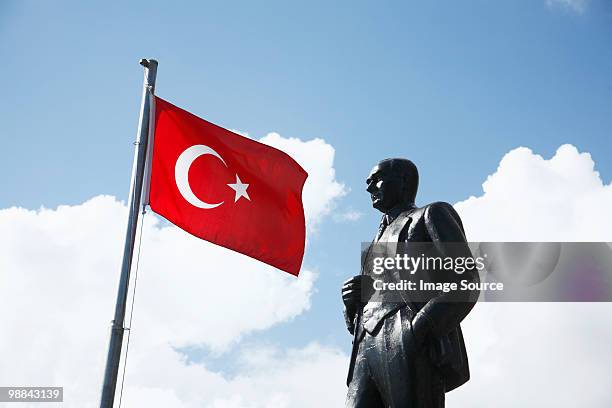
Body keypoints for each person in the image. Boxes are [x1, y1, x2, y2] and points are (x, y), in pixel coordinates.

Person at [342, 158, 479, 408]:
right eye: (368, 182)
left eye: (376, 180)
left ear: (404, 182)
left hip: (406, 331)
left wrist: (420, 328)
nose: (369, 188)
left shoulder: (430, 214)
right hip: (365, 346)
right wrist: (352, 304)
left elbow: (466, 281)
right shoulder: (372, 245)